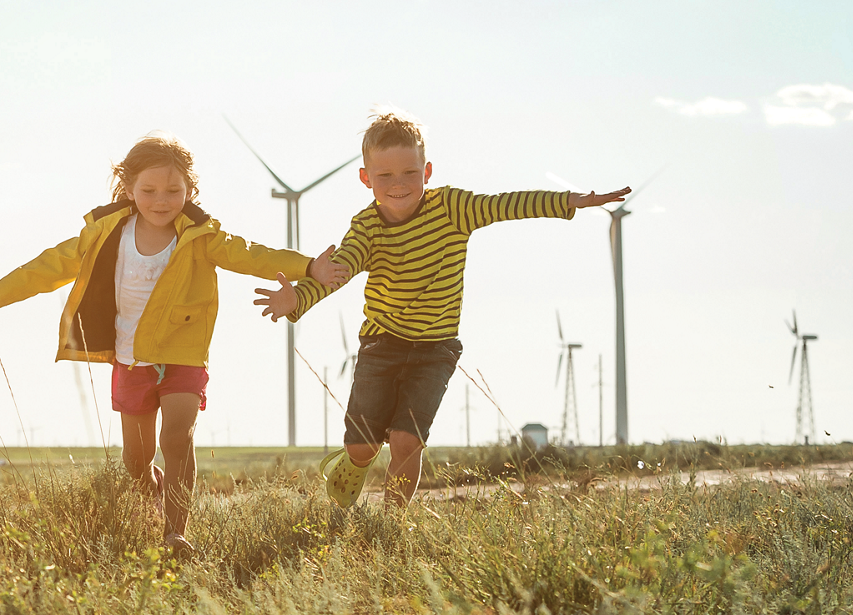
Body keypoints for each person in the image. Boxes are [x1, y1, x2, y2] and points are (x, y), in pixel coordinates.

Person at [0, 133, 349, 555]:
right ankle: (158, 493)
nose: (161, 200)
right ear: (128, 189)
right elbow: (51, 263)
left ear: (189, 191)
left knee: (176, 439)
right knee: (136, 463)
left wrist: (307, 265)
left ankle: (175, 533)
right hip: (131, 359)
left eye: (174, 191)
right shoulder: (105, 232)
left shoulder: (201, 237)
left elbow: (252, 254)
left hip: (183, 354)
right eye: (149, 191)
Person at [253, 110, 628, 508]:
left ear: (427, 171)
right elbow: (338, 270)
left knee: (406, 440)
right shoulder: (367, 226)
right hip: (382, 344)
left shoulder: (452, 207)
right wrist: (298, 297)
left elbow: (507, 205)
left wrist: (570, 201)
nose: (399, 184)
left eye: (409, 173)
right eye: (385, 176)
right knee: (363, 447)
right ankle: (355, 461)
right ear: (366, 178)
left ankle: (392, 519)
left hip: (436, 348)